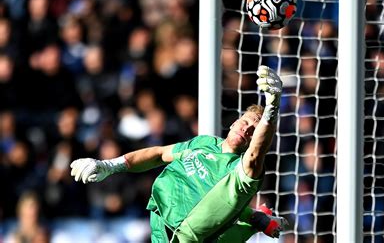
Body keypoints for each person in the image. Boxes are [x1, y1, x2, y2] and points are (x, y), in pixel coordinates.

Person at [70, 66, 285, 242]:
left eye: (253, 131)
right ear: (234, 122)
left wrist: (272, 107)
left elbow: (257, 152)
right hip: (158, 226)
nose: (246, 129)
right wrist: (109, 165)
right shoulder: (205, 142)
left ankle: (256, 221)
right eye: (245, 122)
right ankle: (256, 220)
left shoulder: (243, 169)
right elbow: (159, 154)